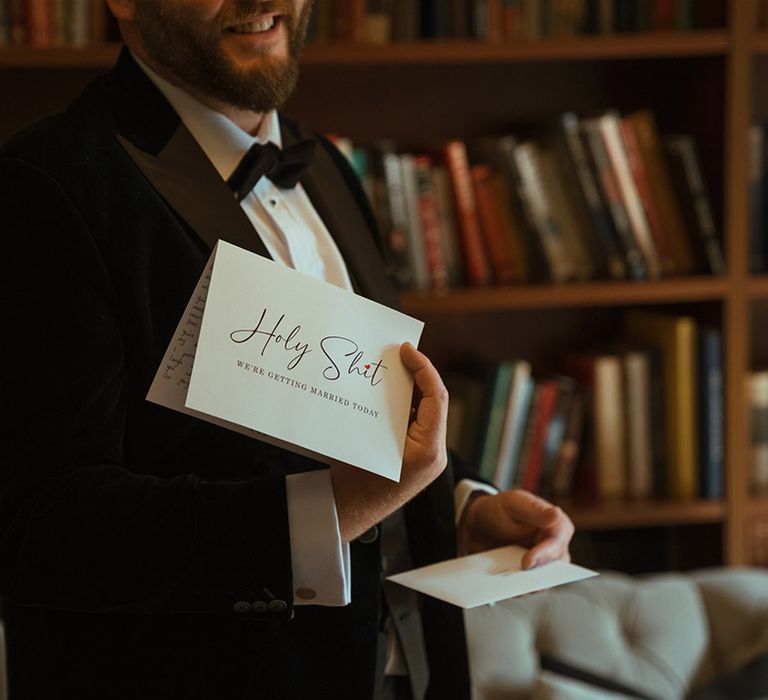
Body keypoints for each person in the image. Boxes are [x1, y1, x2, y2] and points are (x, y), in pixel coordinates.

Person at [0, 1, 574, 698]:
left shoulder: (327, 164)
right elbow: (44, 527)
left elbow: (362, 413)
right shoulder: (44, 185)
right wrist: (330, 511)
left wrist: (461, 506)